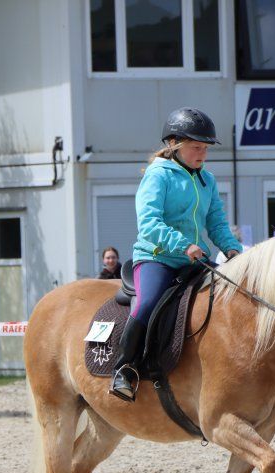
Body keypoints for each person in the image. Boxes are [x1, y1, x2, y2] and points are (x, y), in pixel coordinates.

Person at [109, 107, 243, 402]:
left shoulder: (207, 179)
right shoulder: (158, 175)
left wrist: (232, 248)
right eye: (196, 147)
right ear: (174, 144)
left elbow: (217, 223)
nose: (202, 154)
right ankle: (125, 368)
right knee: (146, 305)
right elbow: (149, 222)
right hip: (157, 258)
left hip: (194, 261)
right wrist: (183, 244)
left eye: (206, 148)